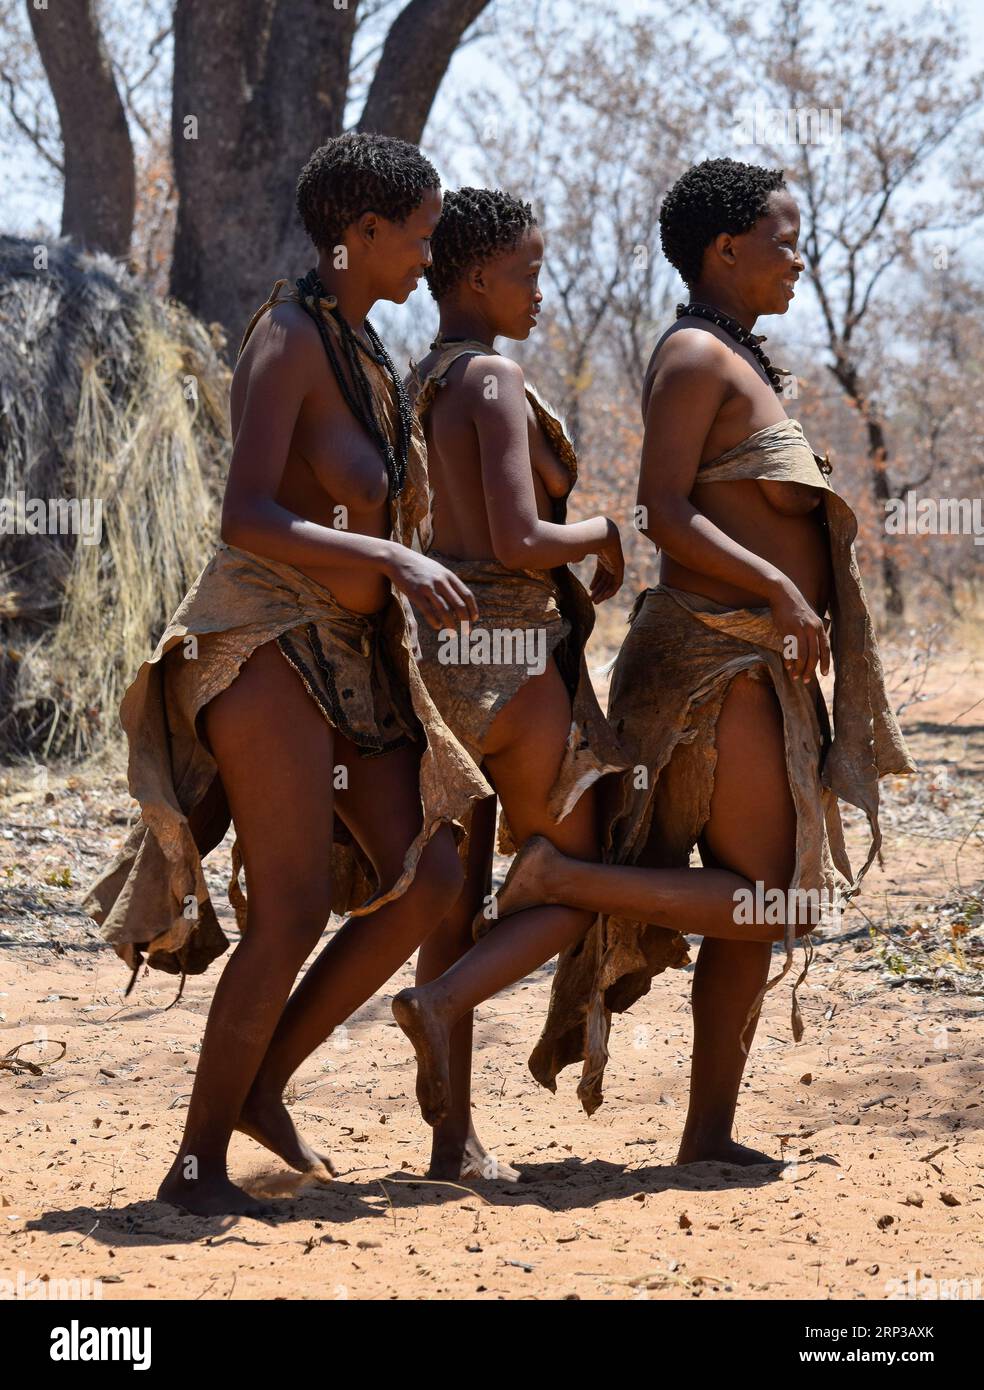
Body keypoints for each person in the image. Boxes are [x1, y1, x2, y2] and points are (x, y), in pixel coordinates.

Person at [396, 159, 915, 1167]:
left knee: (759, 904)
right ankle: (563, 880)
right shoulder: (689, 357)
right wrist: (776, 589)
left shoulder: (737, 360)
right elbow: (661, 510)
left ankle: (706, 1133)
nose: (798, 261)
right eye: (784, 240)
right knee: (769, 895)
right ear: (726, 249)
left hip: (751, 662)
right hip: (709, 668)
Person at [84, 133, 492, 1215]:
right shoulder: (289, 339)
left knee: (435, 877)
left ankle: (264, 1082)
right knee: (295, 906)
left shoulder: (363, 350)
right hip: (262, 641)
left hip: (352, 657)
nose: (426, 253)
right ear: (358, 234)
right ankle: (196, 1163)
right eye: (415, 232)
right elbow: (248, 514)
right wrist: (392, 556)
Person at [389, 187, 627, 1178]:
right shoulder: (490, 379)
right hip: (516, 659)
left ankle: (454, 1144)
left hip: (437, 664)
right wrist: (607, 534)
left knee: (453, 902)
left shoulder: (423, 379)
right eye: (527, 272)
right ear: (477, 275)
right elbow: (523, 540)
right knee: (572, 884)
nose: (540, 290)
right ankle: (439, 1003)